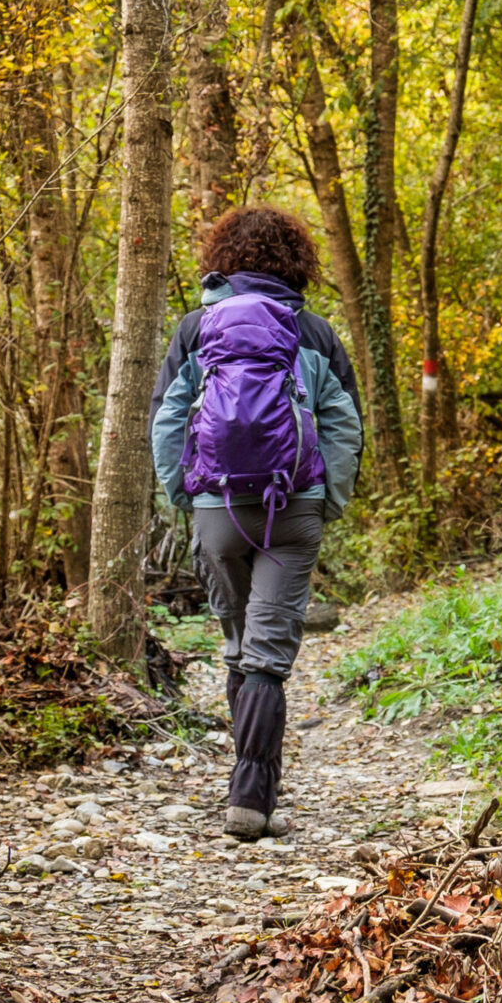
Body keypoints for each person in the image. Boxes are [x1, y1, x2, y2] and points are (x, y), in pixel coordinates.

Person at [150, 206, 362, 840]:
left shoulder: (195, 329)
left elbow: (167, 418)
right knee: (269, 656)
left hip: (216, 511)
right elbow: (343, 424)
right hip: (293, 507)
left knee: (240, 648)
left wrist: (184, 496)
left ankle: (247, 789)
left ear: (221, 259)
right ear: (297, 264)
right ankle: (251, 800)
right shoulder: (315, 333)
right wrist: (329, 499)